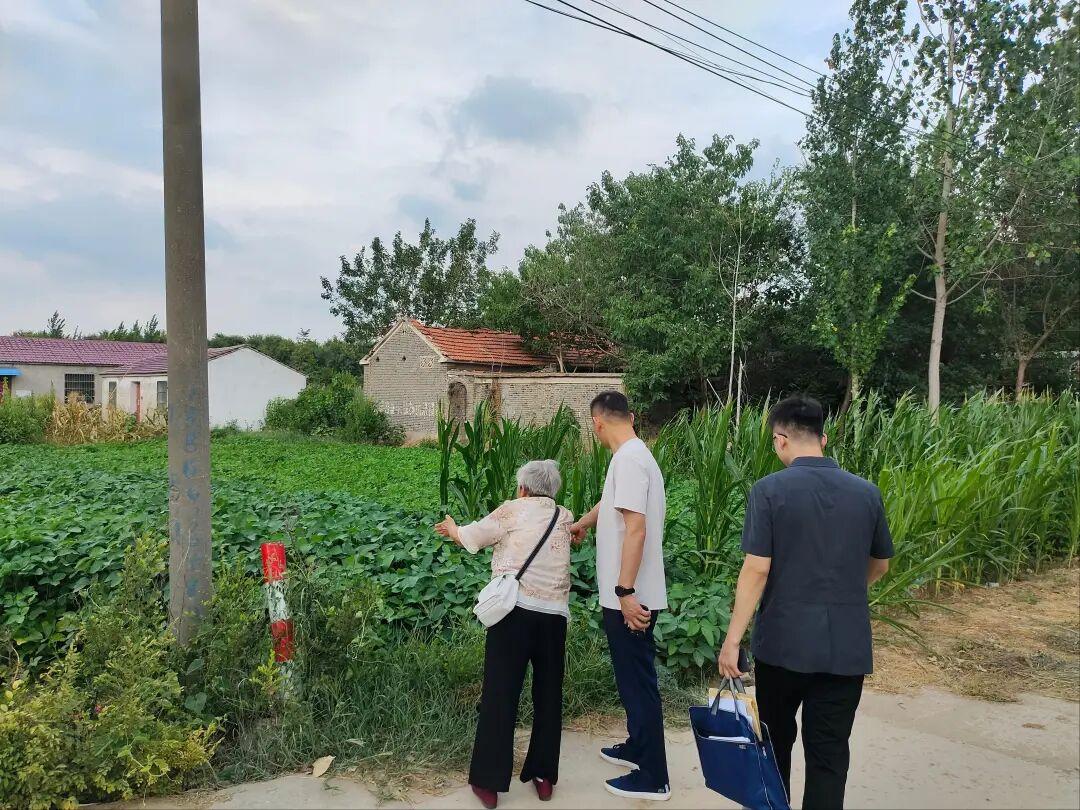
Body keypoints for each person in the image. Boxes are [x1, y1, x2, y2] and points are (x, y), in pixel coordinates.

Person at [718, 395, 894, 810]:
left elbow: (756, 569)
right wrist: (846, 592)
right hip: (845, 650)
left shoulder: (769, 491)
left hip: (783, 646)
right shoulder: (866, 493)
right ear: (823, 438)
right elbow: (881, 564)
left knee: (773, 747)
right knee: (829, 756)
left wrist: (732, 640)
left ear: (780, 440)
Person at [435, 459, 574, 810]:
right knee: (548, 695)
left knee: (500, 693)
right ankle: (543, 776)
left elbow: (473, 536)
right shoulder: (564, 516)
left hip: (514, 614)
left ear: (523, 488)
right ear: (552, 490)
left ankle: (488, 782)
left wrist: (452, 528)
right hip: (554, 617)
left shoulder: (512, 509)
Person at [569, 390, 671, 802]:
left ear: (596, 424)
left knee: (638, 683)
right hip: (629, 594)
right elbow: (611, 504)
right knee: (631, 679)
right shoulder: (634, 454)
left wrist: (626, 591)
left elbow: (636, 529)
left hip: (631, 596)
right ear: (630, 417)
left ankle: (654, 777)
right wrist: (583, 523)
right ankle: (637, 747)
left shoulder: (628, 460)